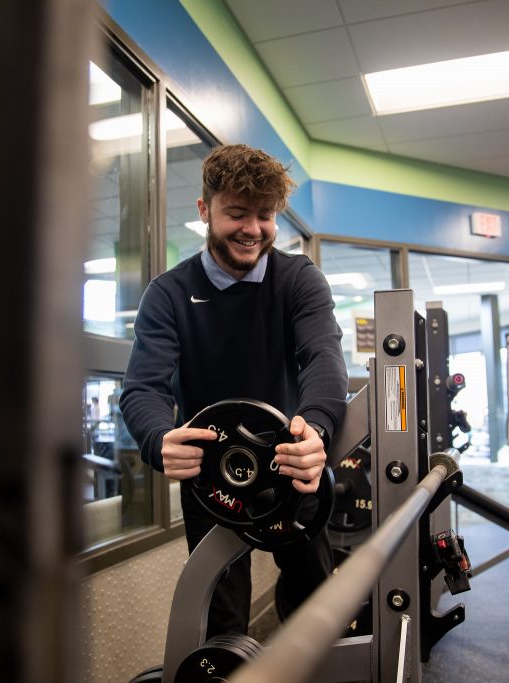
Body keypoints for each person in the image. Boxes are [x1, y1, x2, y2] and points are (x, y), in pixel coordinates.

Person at [119, 143, 348, 637]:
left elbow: (324, 360)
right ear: (205, 210)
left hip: (293, 466)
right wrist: (159, 439)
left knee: (316, 602)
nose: (253, 229)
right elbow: (143, 388)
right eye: (237, 213)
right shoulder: (168, 294)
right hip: (214, 479)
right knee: (221, 619)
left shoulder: (299, 281)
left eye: (265, 216)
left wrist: (319, 432)